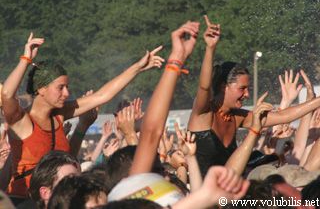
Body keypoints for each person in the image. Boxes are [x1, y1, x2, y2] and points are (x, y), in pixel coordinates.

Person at [1, 32, 164, 198]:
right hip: (25, 202)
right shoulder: (21, 119)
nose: (67, 93)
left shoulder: (60, 115)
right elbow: (7, 94)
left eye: (67, 87)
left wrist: (138, 67)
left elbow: (102, 96)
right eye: (60, 87)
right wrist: (26, 59)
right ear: (41, 89)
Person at [187, 15, 320, 177]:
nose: (247, 94)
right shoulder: (203, 112)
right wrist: (210, 48)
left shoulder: (238, 117)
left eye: (248, 89)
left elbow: (283, 116)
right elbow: (204, 86)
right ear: (224, 87)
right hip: (204, 196)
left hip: (233, 190)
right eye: (242, 88)